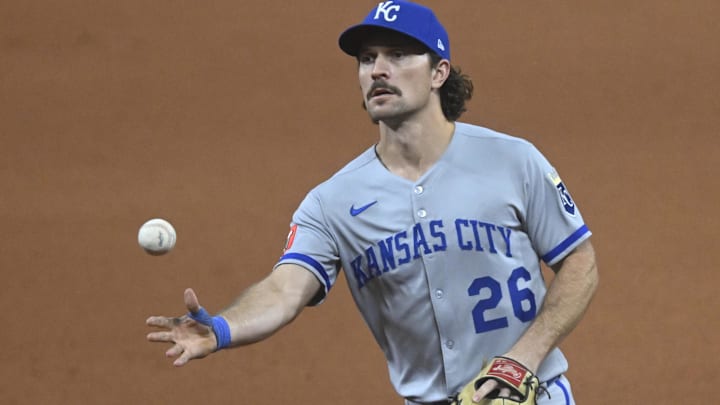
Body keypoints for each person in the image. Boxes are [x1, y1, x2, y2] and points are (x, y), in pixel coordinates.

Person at [146, 1, 599, 404]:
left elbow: (580, 262)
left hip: (531, 393)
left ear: (438, 72)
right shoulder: (332, 202)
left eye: (398, 55)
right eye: (367, 59)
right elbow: (285, 290)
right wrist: (223, 328)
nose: (378, 70)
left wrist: (523, 356)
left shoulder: (511, 159)